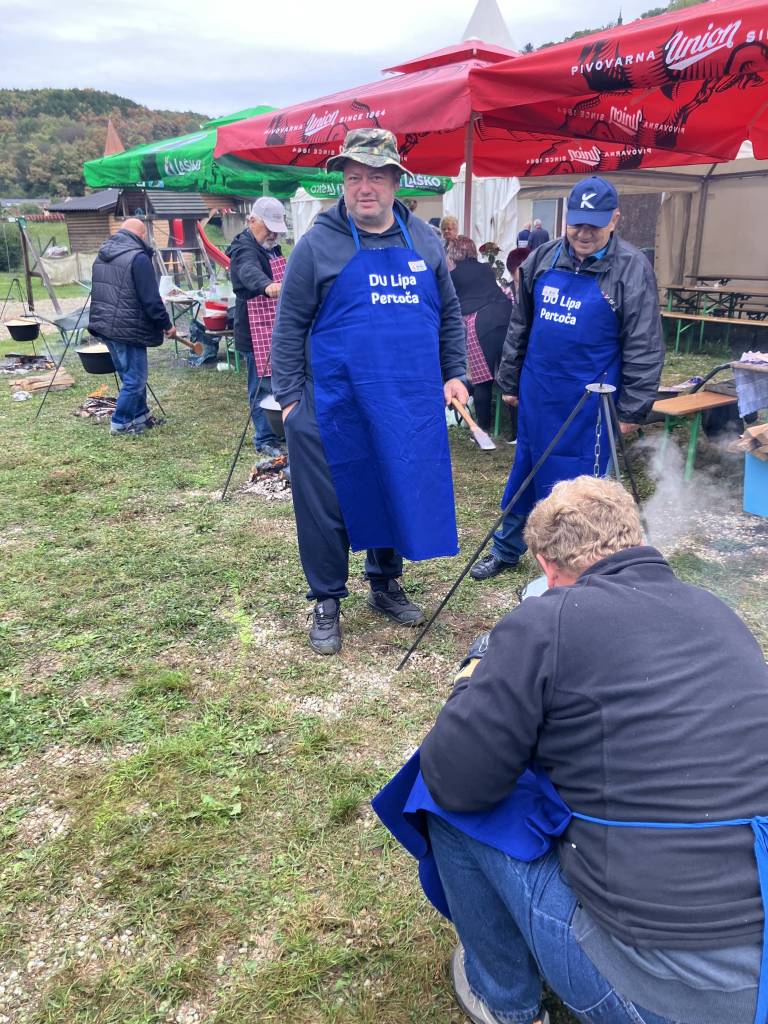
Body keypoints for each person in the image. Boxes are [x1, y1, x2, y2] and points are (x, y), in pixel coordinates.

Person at [380, 476, 768, 1024]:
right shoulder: (719, 612)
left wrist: (473, 677)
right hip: (759, 967)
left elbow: (456, 780)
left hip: (663, 998)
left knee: (438, 797)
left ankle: (505, 1001)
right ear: (636, 539)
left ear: (545, 566)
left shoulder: (547, 618)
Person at [271, 128, 467, 656]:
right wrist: (289, 400)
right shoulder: (317, 245)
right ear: (343, 181)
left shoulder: (424, 239)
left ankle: (384, 583)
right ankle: (326, 600)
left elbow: (449, 314)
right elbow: (288, 326)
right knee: (326, 504)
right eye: (354, 176)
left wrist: (455, 372)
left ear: (396, 181)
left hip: (404, 399)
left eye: (376, 177)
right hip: (331, 401)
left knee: (393, 484)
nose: (364, 188)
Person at [471, 175, 664, 580]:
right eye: (577, 223)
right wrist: (510, 380)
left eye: (595, 224)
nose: (584, 233)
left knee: (581, 491)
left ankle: (577, 566)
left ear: (614, 219)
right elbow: (520, 324)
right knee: (525, 473)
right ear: (566, 220)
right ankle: (506, 549)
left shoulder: (631, 268)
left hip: (590, 402)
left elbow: (644, 342)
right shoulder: (542, 259)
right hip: (539, 391)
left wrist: (632, 408)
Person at [89, 217, 176, 436]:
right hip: (128, 328)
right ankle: (120, 423)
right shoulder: (138, 257)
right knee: (135, 379)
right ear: (142, 235)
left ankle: (140, 417)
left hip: (106, 325)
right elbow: (151, 299)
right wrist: (166, 325)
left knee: (129, 375)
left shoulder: (103, 254)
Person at [227, 197, 288, 459]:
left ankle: (280, 430)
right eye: (269, 228)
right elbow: (248, 270)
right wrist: (267, 286)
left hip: (276, 327)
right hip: (255, 331)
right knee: (262, 386)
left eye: (276, 229)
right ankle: (264, 437)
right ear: (252, 221)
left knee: (281, 383)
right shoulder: (244, 248)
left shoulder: (272, 248)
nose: (273, 234)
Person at [447, 235, 512, 434]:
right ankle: (515, 432)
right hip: (506, 317)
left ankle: (482, 428)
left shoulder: (453, 275)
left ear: (453, 252)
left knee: (482, 379)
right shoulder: (486, 269)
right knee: (508, 375)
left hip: (481, 323)